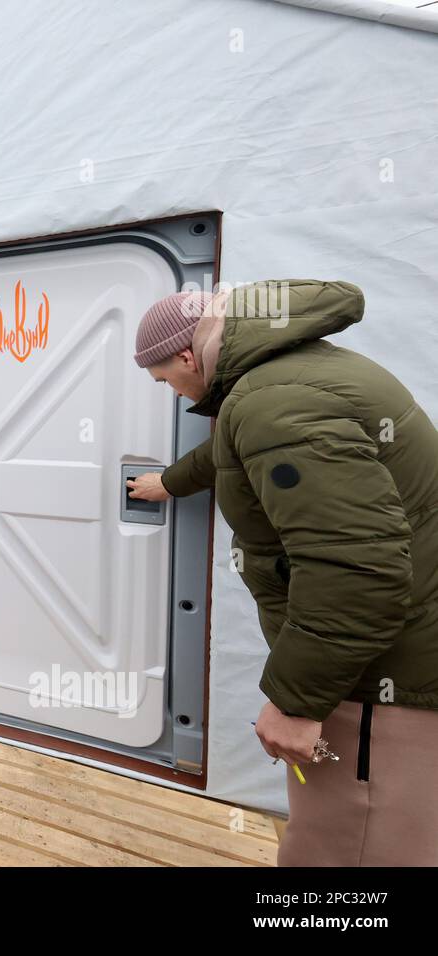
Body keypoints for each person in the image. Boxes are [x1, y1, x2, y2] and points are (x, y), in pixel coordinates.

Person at [127, 280, 438, 866]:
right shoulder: (288, 375)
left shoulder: (274, 402)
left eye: (166, 378)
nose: (172, 392)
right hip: (386, 661)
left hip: (381, 679)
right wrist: (168, 482)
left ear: (189, 356)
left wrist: (296, 703)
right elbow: (237, 452)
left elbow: (357, 570)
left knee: (347, 847)